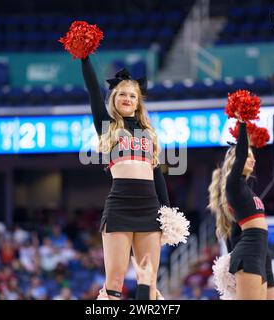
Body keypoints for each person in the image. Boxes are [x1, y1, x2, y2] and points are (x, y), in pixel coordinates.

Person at [80, 56, 170, 300]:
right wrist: (84, 57)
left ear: (138, 102)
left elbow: (157, 176)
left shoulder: (148, 134)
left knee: (148, 277)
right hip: (120, 206)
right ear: (114, 99)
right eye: (122, 95)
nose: (127, 99)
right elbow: (92, 91)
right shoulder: (107, 126)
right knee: (115, 281)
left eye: (132, 96)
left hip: (149, 208)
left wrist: (168, 212)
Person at [208, 116, 270, 300]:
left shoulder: (246, 190)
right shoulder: (233, 184)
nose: (252, 160)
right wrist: (242, 122)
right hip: (249, 251)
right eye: (248, 156)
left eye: (253, 157)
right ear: (236, 162)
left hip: (259, 253)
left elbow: (233, 230)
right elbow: (241, 152)